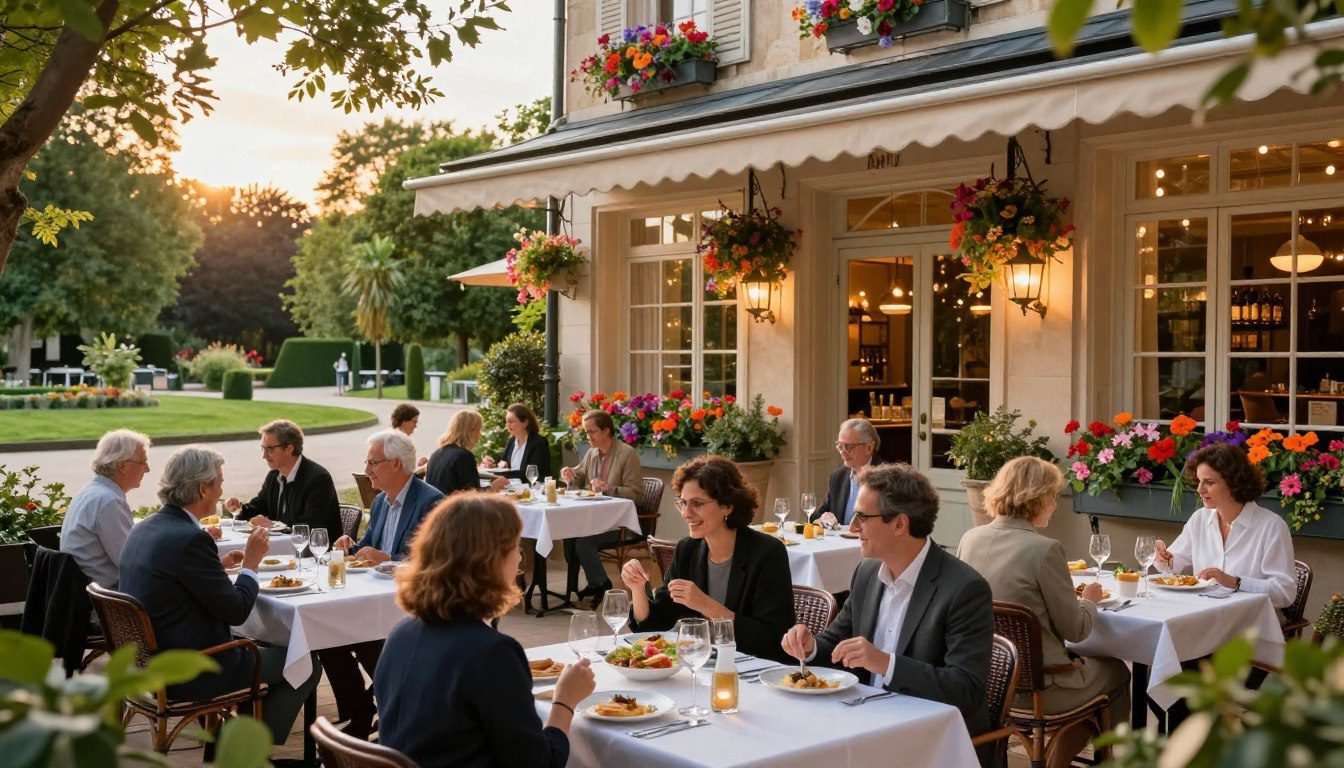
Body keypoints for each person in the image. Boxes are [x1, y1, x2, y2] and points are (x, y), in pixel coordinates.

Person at [781, 464, 995, 760]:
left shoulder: (963, 588)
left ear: (899, 524)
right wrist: (811, 645)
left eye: (862, 518)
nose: (853, 527)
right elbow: (836, 642)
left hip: (930, 739)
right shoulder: (867, 573)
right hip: (865, 722)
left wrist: (885, 663)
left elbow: (965, 689)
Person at [118, 446, 321, 747]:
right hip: (194, 668)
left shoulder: (145, 528)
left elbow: (176, 583)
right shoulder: (190, 539)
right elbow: (236, 610)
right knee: (304, 663)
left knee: (274, 647)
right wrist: (251, 564)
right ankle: (246, 748)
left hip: (148, 663)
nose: (222, 491)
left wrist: (218, 567)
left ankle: (236, 736)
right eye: (219, 484)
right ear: (202, 489)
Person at [374, 494, 596, 768]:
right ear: (492, 561)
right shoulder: (490, 653)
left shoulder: (401, 634)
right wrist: (565, 700)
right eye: (516, 547)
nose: (520, 559)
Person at [957, 456, 1131, 751]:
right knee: (1116, 672)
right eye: (1052, 495)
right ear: (1036, 498)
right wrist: (1089, 601)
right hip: (1041, 689)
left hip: (989, 681)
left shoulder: (969, 539)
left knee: (1086, 673)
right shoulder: (1045, 549)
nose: (1055, 503)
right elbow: (1076, 630)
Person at [325, 429, 445, 738]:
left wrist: (388, 558)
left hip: (411, 604)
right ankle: (361, 709)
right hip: (373, 598)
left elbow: (433, 564)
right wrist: (350, 546)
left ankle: (385, 703)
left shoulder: (431, 503)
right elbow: (368, 546)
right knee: (327, 637)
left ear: (396, 464)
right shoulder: (380, 502)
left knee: (373, 644)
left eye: (372, 463)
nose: (367, 471)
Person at [621, 456, 793, 661]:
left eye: (697, 504)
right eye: (683, 503)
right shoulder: (688, 549)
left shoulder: (767, 553)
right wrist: (637, 588)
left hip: (753, 671)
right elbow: (658, 626)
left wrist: (706, 605)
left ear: (727, 506)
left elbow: (771, 639)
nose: (686, 513)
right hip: (701, 666)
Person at [1155, 442, 1295, 608]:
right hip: (1202, 613)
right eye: (1199, 481)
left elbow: (1285, 593)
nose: (1200, 489)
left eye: (1209, 482)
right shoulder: (1199, 519)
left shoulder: (1271, 527)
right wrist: (1164, 557)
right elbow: (1173, 565)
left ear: (1234, 482)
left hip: (1248, 623)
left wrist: (1236, 582)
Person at [560, 409, 643, 601]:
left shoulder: (626, 454)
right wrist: (570, 474)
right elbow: (579, 477)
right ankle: (584, 585)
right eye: (586, 432)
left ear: (606, 431)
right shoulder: (592, 453)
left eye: (592, 432)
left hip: (619, 523)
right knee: (568, 536)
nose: (588, 436)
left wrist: (609, 488)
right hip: (594, 519)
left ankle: (601, 583)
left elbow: (636, 494)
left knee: (584, 542)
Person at [224, 420, 342, 546]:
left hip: (317, 554)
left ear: (289, 449)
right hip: (283, 549)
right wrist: (238, 509)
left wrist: (275, 525)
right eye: (262, 449)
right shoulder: (274, 476)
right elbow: (259, 507)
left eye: (269, 449)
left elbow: (312, 526)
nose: (264, 455)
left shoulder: (318, 479)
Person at [60, 430, 152, 589]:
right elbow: (133, 563)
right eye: (143, 462)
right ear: (122, 466)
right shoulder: (108, 502)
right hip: (109, 599)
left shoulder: (91, 491)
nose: (147, 469)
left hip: (89, 591)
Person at [809, 418, 884, 528]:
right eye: (840, 446)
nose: (842, 452)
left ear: (869, 447)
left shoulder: (888, 477)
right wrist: (823, 518)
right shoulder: (838, 476)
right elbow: (815, 517)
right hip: (841, 544)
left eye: (848, 447)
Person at [425, 410, 506, 496]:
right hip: (453, 508)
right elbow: (473, 496)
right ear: (470, 431)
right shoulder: (463, 456)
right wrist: (493, 487)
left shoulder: (436, 454)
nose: (479, 435)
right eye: (478, 430)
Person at [480, 403, 551, 481]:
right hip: (511, 488)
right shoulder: (512, 441)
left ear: (525, 423)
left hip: (533, 489)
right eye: (506, 422)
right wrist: (494, 466)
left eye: (511, 422)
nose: (507, 425)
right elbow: (504, 463)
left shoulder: (538, 442)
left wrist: (497, 474)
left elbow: (531, 474)